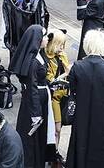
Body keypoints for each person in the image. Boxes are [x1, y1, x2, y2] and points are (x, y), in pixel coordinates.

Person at [66, 30, 104, 168]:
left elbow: (73, 91)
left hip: (82, 116)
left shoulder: (77, 67)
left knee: (82, 145)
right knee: (103, 148)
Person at [12, 25, 50, 168]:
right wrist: (36, 113)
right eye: (44, 36)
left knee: (37, 138)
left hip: (38, 99)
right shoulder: (33, 62)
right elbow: (32, 88)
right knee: (32, 138)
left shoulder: (37, 56)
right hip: (35, 103)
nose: (47, 39)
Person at [45, 28, 70, 163]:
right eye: (60, 44)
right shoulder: (46, 59)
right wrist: (64, 74)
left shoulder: (62, 55)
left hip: (63, 95)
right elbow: (49, 79)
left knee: (58, 129)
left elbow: (69, 73)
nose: (62, 47)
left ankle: (55, 152)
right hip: (53, 96)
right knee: (57, 128)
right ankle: (53, 153)